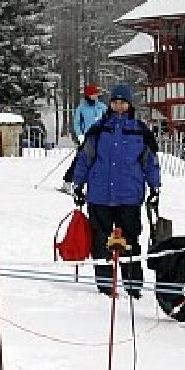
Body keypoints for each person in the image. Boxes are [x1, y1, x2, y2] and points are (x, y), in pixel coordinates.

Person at [69, 84, 160, 298]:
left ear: (129, 105)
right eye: (115, 102)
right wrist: (78, 184)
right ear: (110, 104)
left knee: (129, 241)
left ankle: (132, 286)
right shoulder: (99, 130)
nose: (119, 106)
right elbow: (85, 159)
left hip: (129, 195)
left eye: (123, 102)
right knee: (101, 242)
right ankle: (105, 285)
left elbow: (150, 162)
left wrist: (155, 187)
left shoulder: (140, 130)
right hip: (100, 195)